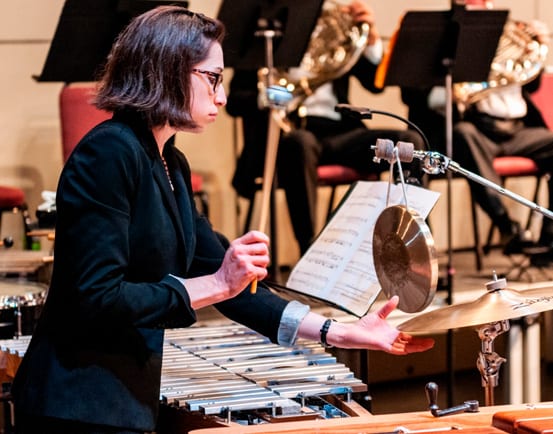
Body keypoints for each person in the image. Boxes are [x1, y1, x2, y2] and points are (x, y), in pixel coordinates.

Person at [10, 6, 434, 434]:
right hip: (73, 406)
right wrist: (216, 284)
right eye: (212, 78)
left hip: (123, 402)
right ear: (168, 70)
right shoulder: (108, 154)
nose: (223, 96)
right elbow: (98, 297)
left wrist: (339, 332)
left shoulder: (168, 162)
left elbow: (231, 284)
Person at [401, 0, 553, 267]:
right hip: (478, 128)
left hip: (518, 129)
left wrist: (535, 48)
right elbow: (414, 92)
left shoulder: (510, 31)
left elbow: (531, 82)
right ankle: (508, 226)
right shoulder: (450, 35)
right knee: (464, 134)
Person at [227, 0, 426, 255]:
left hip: (340, 130)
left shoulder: (334, 27)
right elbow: (235, 102)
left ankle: (412, 247)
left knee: (406, 141)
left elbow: (375, 84)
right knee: (300, 143)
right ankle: (309, 251)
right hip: (287, 134)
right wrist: (273, 95)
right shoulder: (265, 33)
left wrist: (371, 37)